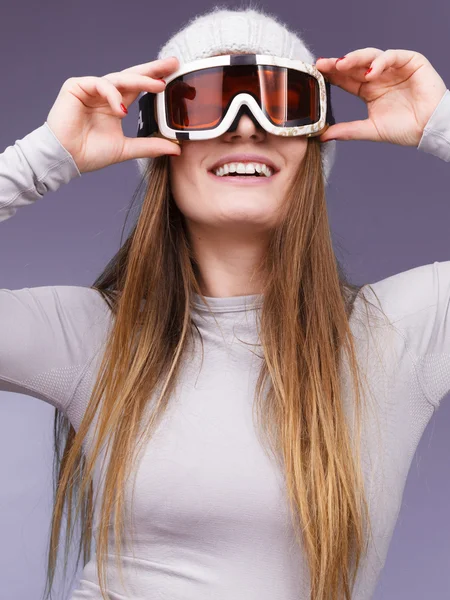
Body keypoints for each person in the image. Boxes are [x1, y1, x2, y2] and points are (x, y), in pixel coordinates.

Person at [1, 6, 449, 600]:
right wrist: (42, 159)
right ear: (161, 143)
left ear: (313, 147)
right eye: (205, 103)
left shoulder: (397, 332)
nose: (244, 125)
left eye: (282, 102)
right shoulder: (90, 335)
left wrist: (440, 121)